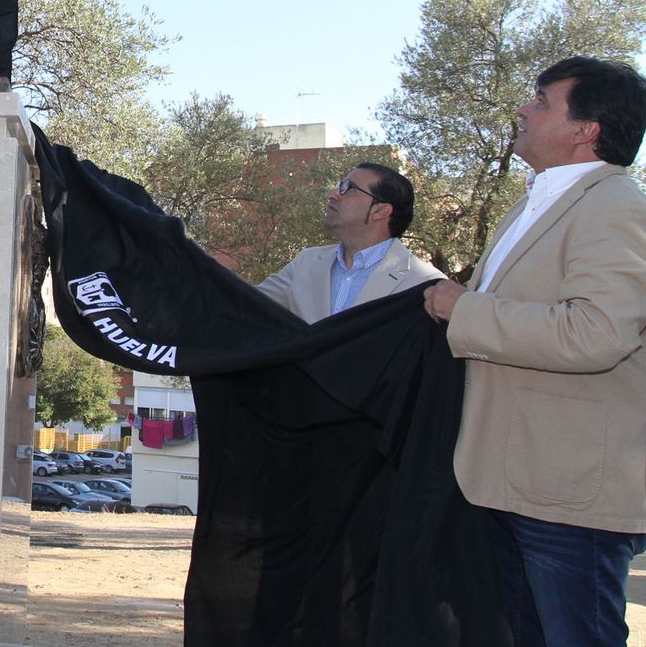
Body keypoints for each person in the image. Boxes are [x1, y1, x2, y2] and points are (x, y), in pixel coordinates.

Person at [425, 57, 646, 647]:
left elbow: (596, 333)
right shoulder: (532, 206)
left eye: (542, 100)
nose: (523, 109)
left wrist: (462, 309)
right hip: (510, 481)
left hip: (569, 492)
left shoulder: (616, 206)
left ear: (585, 129)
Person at [256, 162, 442, 323]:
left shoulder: (426, 284)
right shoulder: (306, 262)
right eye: (339, 186)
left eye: (349, 187)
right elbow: (246, 305)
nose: (332, 194)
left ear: (380, 211)